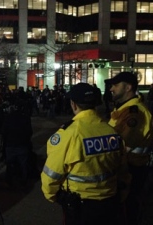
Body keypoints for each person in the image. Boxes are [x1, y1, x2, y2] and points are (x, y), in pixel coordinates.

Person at [41, 83, 130, 225]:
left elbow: (51, 174)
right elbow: (123, 168)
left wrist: (53, 196)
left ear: (73, 104)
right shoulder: (111, 131)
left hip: (81, 207)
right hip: (111, 202)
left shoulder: (68, 134)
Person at [107, 71, 153, 225]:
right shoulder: (125, 109)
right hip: (128, 168)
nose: (111, 89)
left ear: (128, 87)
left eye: (115, 85)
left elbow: (123, 144)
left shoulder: (135, 113)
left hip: (132, 170)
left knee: (128, 212)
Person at [2, 100, 33, 187]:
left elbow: (4, 132)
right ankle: (23, 180)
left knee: (10, 163)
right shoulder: (25, 118)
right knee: (23, 164)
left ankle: (9, 180)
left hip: (10, 144)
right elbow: (29, 132)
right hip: (22, 144)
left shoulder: (9, 117)